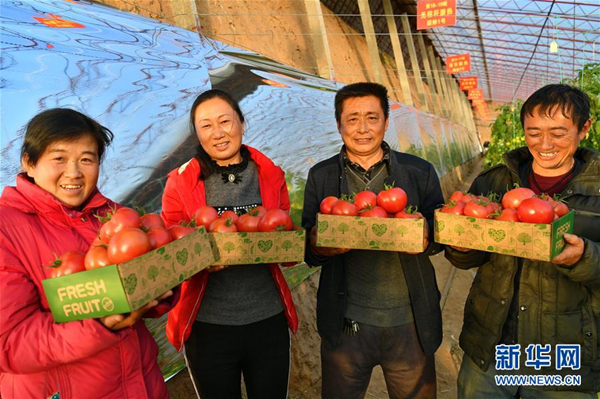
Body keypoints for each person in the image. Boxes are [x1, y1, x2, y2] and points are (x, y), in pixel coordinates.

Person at [0, 108, 173, 398]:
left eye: (86, 160)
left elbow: (139, 292)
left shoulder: (113, 215)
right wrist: (99, 324)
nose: (74, 172)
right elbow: (10, 343)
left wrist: (164, 285)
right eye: (59, 158)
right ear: (29, 163)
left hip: (142, 384)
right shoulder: (6, 229)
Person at [446, 84, 600, 397]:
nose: (545, 144)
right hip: (490, 345)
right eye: (533, 132)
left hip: (563, 355)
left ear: (584, 128)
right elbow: (469, 256)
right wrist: (460, 246)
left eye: (558, 132)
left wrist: (584, 257)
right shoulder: (495, 182)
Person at [301, 82, 444, 399]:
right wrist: (318, 245)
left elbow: (440, 230)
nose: (362, 129)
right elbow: (309, 248)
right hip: (346, 325)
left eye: (372, 117)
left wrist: (427, 236)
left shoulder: (419, 172)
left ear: (386, 122)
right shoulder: (321, 176)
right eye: (352, 119)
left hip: (409, 324)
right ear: (339, 124)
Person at [161, 89, 298, 399]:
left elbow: (287, 246)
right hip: (208, 325)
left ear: (242, 123)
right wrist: (197, 258)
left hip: (267, 318)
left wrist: (287, 241)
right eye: (206, 125)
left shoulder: (270, 174)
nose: (218, 133)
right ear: (196, 134)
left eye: (225, 121)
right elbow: (171, 251)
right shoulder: (179, 184)